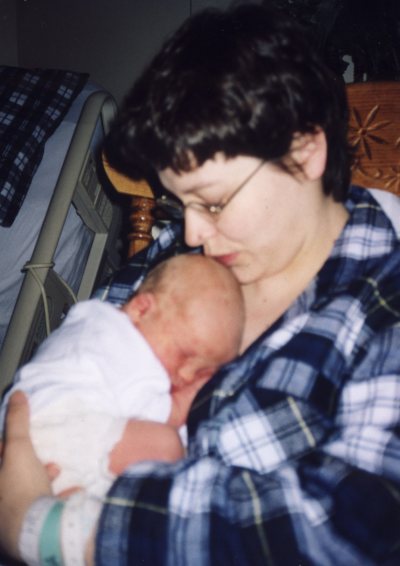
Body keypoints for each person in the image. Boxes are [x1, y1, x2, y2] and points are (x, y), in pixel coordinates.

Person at [1, 3, 400, 565]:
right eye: (178, 202)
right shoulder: (186, 256)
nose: (190, 231)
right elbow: (69, 371)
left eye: (212, 200)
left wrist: (47, 530)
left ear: (306, 151)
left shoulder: (382, 301)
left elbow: (348, 528)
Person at [0, 254, 244, 498]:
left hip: (50, 441)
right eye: (185, 355)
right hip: (50, 426)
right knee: (165, 446)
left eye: (204, 372)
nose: (187, 376)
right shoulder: (118, 338)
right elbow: (157, 420)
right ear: (142, 309)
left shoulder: (100, 322)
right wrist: (181, 405)